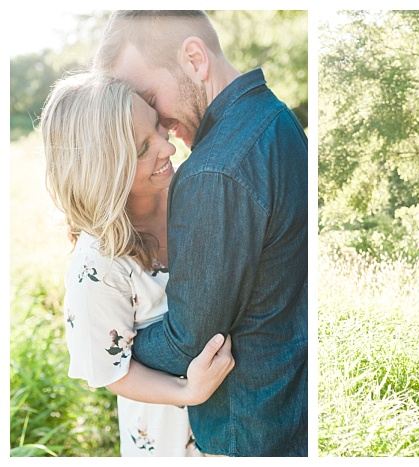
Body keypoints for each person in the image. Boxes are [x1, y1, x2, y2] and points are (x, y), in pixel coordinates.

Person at [93, 11, 308, 456]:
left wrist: (111, 346)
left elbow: (190, 342)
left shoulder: (211, 171)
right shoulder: (277, 119)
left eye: (150, 99)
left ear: (195, 58)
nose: (156, 123)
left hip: (246, 434)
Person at [40, 71, 235, 457]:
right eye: (144, 148)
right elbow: (110, 369)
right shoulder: (98, 264)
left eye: (159, 128)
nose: (169, 149)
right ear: (104, 171)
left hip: (235, 425)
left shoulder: (193, 196)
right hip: (166, 438)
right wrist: (188, 391)